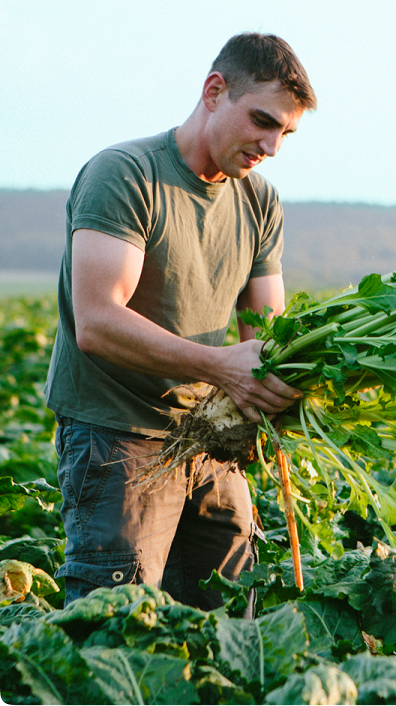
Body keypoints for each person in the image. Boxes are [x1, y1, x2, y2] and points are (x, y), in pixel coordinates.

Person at [44, 32, 316, 612]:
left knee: (227, 623)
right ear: (214, 91)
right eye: (262, 121)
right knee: (118, 633)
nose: (270, 145)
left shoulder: (259, 201)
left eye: (284, 133)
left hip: (210, 440)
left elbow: (265, 333)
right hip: (118, 440)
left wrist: (284, 383)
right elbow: (96, 321)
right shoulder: (126, 174)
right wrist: (224, 368)